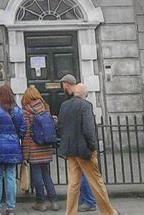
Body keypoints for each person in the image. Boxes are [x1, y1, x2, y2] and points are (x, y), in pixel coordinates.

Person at [58, 84, 120, 215]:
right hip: (84, 151)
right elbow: (88, 130)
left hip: (70, 151)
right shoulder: (85, 105)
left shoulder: (64, 105)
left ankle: (70, 213)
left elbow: (60, 127)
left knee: (73, 185)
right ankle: (109, 212)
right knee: (96, 182)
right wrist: (93, 147)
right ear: (85, 94)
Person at [0, 83, 26, 215]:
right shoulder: (18, 111)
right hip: (13, 146)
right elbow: (23, 130)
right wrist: (15, 136)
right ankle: (10, 208)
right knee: (11, 177)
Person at [60, 75, 97, 211]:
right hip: (79, 147)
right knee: (81, 178)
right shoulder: (77, 104)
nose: (63, 88)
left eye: (64, 85)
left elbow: (86, 129)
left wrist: (92, 146)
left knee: (84, 177)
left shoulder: (69, 105)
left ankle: (89, 201)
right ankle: (84, 201)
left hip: (77, 147)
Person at [21, 86, 59, 212]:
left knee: (37, 176)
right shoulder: (45, 108)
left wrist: (25, 155)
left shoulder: (26, 112)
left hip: (34, 149)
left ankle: (41, 202)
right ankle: (54, 202)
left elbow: (26, 135)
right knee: (47, 175)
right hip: (46, 147)